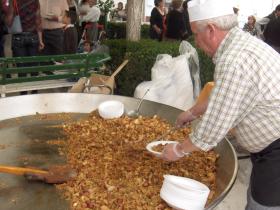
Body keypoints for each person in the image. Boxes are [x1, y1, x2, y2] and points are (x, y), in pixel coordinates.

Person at [161, 0, 280, 210]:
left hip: (276, 151)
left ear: (211, 30)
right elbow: (225, 92)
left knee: (262, 206)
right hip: (269, 146)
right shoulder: (240, 43)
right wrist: (193, 111)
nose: (196, 41)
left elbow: (212, 129)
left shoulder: (234, 60)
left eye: (196, 34)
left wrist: (178, 150)